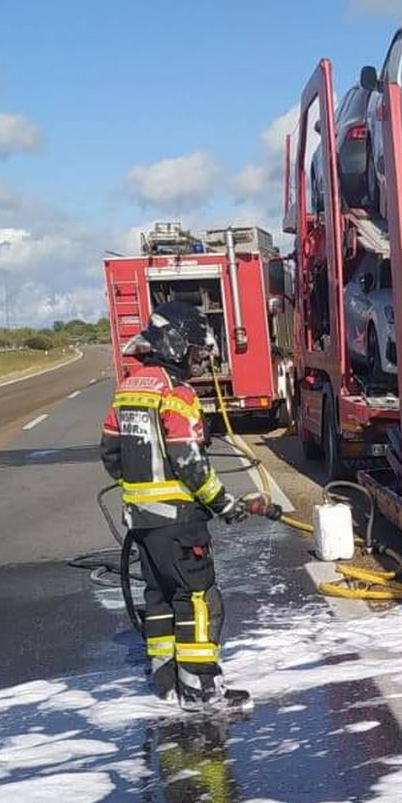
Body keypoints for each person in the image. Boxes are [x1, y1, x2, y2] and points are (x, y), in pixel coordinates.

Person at [100, 300, 270, 708]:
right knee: (197, 599)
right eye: (195, 352)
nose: (197, 361)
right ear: (176, 344)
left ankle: (166, 683)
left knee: (158, 598)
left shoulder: (128, 388)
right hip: (178, 522)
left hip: (141, 523)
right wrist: (224, 504)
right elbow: (190, 462)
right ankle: (201, 690)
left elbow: (110, 454)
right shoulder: (177, 394)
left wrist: (142, 490)